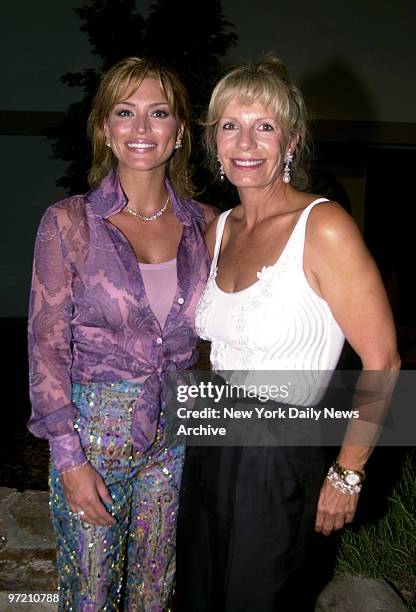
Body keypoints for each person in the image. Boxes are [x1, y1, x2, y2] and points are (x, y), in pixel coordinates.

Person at [175, 56, 400, 611]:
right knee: (199, 593)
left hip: (280, 447)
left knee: (259, 599)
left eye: (264, 126)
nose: (245, 141)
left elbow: (384, 359)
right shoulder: (218, 228)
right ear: (213, 141)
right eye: (230, 124)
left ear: (291, 141)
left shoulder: (324, 226)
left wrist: (348, 473)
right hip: (209, 431)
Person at [27, 57, 216, 611]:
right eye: (124, 112)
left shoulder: (208, 224)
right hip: (92, 433)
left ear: (179, 132)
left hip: (176, 437)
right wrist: (69, 459)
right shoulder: (69, 223)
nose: (141, 128)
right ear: (105, 129)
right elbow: (45, 348)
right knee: (88, 592)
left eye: (158, 113)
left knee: (157, 589)